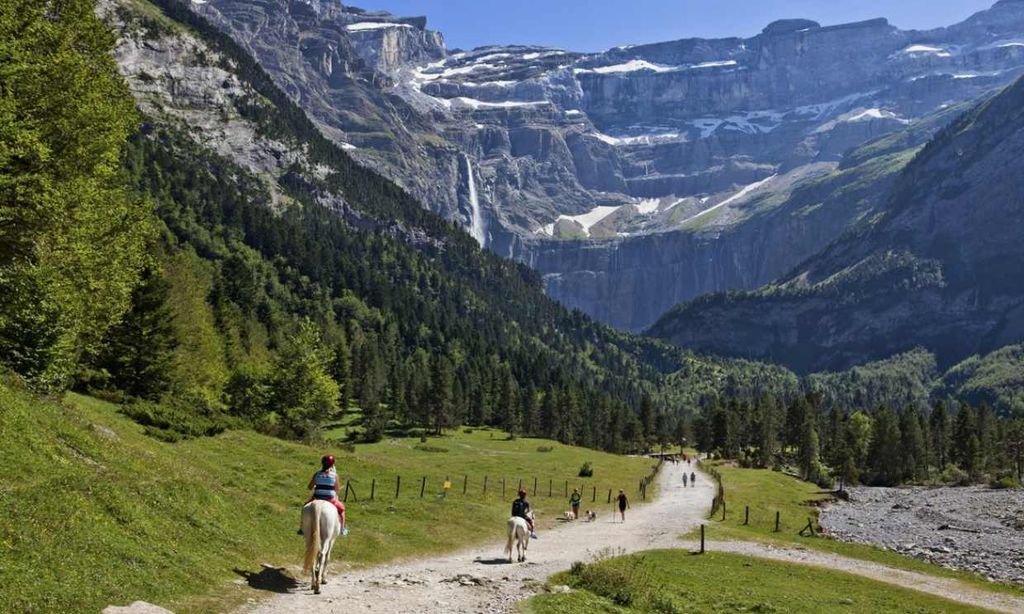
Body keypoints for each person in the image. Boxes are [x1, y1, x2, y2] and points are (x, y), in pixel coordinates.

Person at [298, 455, 346, 535]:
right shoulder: (334, 475)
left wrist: (316, 485)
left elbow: (310, 487)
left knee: (305, 507)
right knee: (342, 510)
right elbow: (337, 489)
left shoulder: (317, 474)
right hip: (329, 499)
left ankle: (302, 528)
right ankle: (342, 529)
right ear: (332, 465)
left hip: (316, 498)